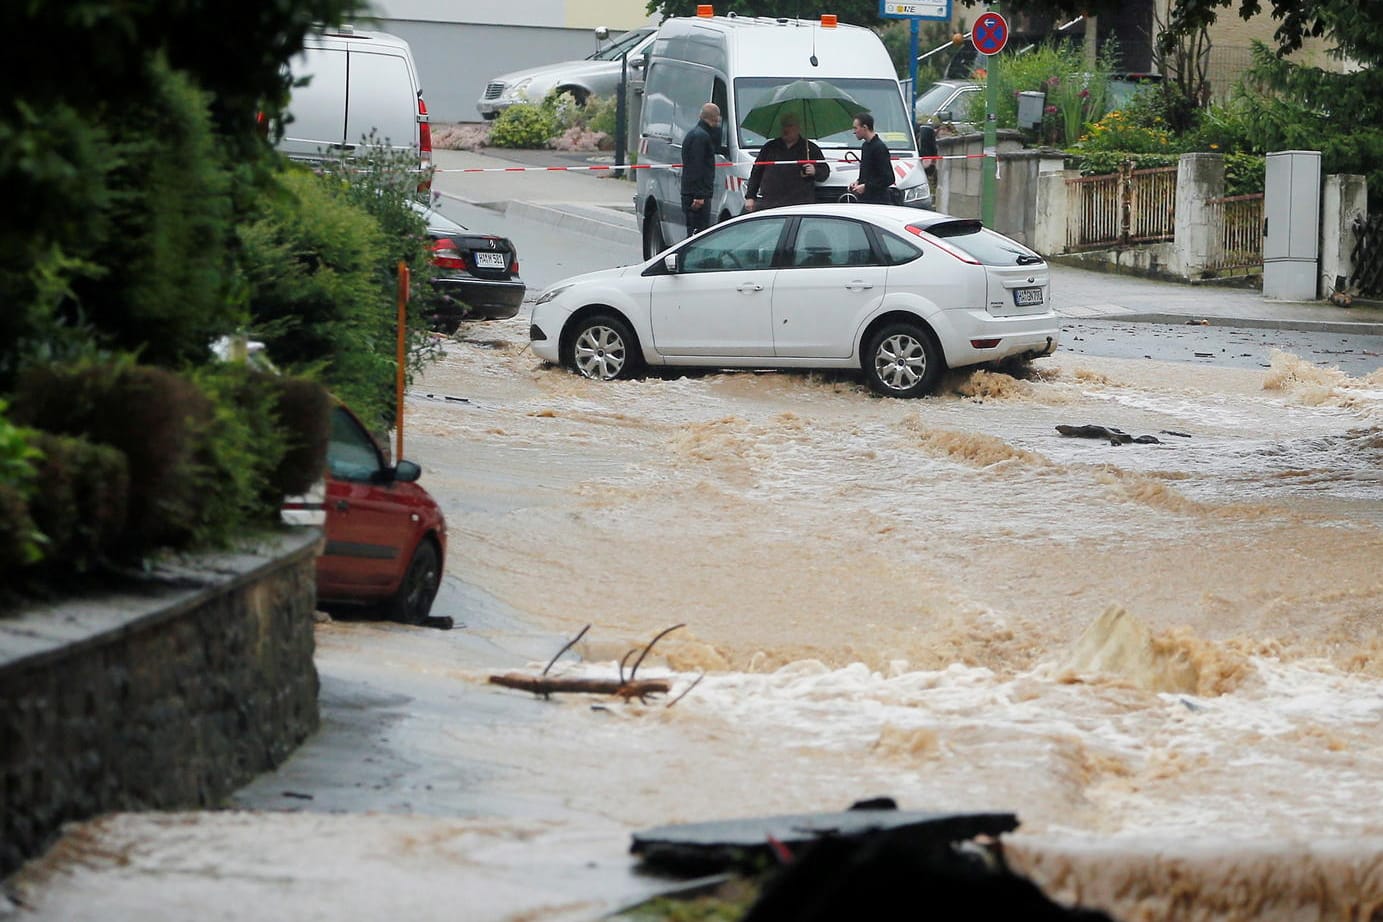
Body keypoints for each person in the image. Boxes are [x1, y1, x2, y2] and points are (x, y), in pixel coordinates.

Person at [742, 112, 830, 212]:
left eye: (790, 125)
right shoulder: (769, 147)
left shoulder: (810, 148)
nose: (786, 129)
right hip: (770, 204)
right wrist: (750, 197)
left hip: (800, 205)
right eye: (784, 125)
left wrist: (815, 171)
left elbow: (825, 172)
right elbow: (756, 173)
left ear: (798, 128)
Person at [680, 102, 721, 238]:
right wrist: (699, 195)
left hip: (691, 192)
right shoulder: (701, 137)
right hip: (696, 196)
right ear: (714, 118)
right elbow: (697, 166)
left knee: (694, 231)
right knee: (698, 234)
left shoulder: (695, 134)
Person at [848, 112, 895, 205]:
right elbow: (868, 172)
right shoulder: (865, 146)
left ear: (865, 128)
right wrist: (858, 182)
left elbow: (889, 178)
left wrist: (866, 187)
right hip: (866, 199)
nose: (854, 132)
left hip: (879, 201)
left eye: (855, 128)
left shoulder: (880, 147)